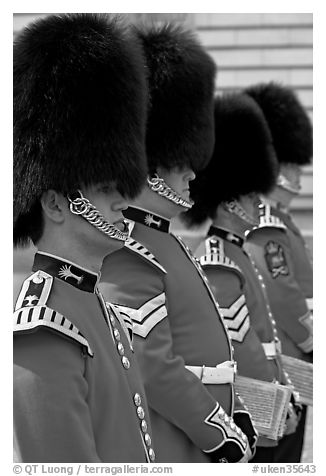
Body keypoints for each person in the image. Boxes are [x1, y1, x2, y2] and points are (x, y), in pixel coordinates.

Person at [99, 23, 257, 463]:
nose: (192, 173)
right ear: (151, 166)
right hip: (174, 442)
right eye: (180, 162)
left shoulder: (168, 242)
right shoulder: (126, 246)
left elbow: (207, 350)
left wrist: (234, 408)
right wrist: (215, 431)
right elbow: (150, 365)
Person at [13, 13, 155, 463]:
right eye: (105, 189)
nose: (122, 202)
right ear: (56, 204)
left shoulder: (100, 310)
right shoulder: (44, 330)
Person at [183, 92, 300, 462]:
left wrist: (287, 386)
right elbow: (242, 346)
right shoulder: (219, 261)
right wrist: (275, 401)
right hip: (257, 405)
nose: (257, 205)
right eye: (250, 197)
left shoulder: (239, 252)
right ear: (230, 202)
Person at [244, 82, 313, 462]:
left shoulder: (281, 220)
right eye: (291, 167)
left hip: (293, 356)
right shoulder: (267, 224)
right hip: (286, 357)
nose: (299, 178)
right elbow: (282, 293)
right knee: (281, 453)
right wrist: (311, 338)